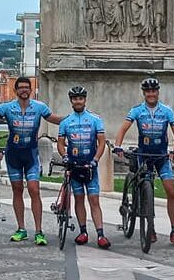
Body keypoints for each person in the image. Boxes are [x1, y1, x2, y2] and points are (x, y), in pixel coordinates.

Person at [0, 75, 64, 245]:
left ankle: (39, 231)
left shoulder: (39, 107)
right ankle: (21, 228)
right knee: (17, 190)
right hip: (13, 155)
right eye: (21, 87)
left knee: (34, 190)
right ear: (16, 90)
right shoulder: (7, 107)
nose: (24, 90)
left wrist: (74, 117)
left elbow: (53, 118)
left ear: (31, 90)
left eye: (27, 87)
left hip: (31, 154)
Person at [112, 77, 174, 247]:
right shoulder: (137, 111)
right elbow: (123, 128)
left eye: (154, 91)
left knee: (170, 191)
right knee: (146, 188)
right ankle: (149, 226)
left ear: (158, 92)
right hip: (143, 155)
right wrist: (118, 146)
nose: (151, 94)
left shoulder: (167, 111)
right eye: (148, 91)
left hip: (161, 156)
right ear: (144, 93)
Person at [56, 86, 111, 248]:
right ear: (71, 101)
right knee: (79, 199)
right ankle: (83, 232)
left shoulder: (95, 119)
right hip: (74, 166)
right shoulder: (66, 122)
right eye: (74, 98)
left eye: (80, 98)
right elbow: (60, 144)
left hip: (90, 167)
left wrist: (96, 159)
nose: (78, 101)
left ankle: (100, 234)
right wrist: (65, 156)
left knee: (94, 200)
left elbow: (101, 142)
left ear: (85, 100)